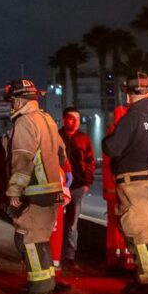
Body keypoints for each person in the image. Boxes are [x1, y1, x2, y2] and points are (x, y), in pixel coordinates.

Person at [101, 71, 148, 294]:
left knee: (140, 235)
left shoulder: (132, 117)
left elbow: (112, 148)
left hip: (136, 183)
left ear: (129, 94)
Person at [3, 78, 66, 294]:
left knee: (27, 239)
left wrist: (14, 191)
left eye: (11, 101)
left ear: (19, 100)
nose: (11, 106)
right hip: (53, 191)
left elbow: (22, 160)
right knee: (41, 238)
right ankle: (47, 281)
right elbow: (62, 153)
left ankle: (39, 289)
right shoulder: (47, 119)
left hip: (35, 192)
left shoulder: (24, 122)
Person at [102, 105, 137, 275]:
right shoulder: (121, 137)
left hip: (115, 189)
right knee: (125, 226)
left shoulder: (112, 136)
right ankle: (123, 260)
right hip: (120, 189)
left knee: (115, 227)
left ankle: (115, 259)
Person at [59, 106, 96, 268]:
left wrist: (87, 183)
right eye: (71, 118)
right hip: (58, 186)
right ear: (64, 119)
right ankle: (54, 253)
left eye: (78, 119)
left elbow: (90, 162)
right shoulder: (56, 137)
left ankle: (69, 256)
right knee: (56, 222)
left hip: (78, 186)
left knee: (72, 223)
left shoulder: (84, 139)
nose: (75, 122)